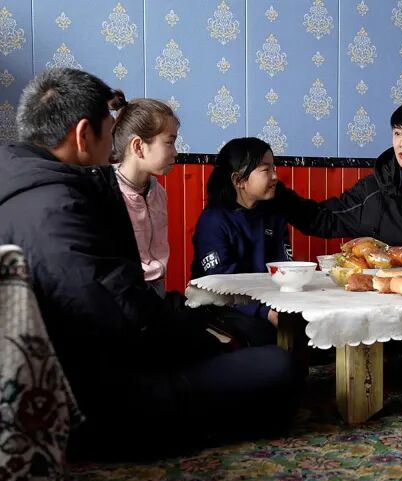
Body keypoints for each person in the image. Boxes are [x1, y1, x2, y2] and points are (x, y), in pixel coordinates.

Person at [0, 68, 302, 460]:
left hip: (100, 361)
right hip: (101, 394)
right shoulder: (60, 206)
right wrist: (191, 339)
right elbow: (116, 317)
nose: (113, 143)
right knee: (280, 368)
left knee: (239, 350)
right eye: (110, 130)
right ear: (83, 134)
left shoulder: (25, 184)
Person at [272, 98, 402, 248]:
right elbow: (322, 220)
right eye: (397, 133)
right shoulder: (372, 191)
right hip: (383, 291)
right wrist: (274, 190)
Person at [191, 137, 291, 345]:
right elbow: (221, 282)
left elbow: (284, 268)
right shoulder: (213, 221)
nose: (275, 176)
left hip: (268, 302)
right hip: (222, 307)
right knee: (265, 336)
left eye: (274, 168)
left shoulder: (274, 216)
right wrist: (265, 311)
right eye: (266, 170)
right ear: (239, 181)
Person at [111, 96, 178, 297]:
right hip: (122, 295)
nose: (175, 152)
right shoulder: (109, 193)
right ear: (138, 147)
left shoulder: (158, 192)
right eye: (170, 142)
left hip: (156, 292)